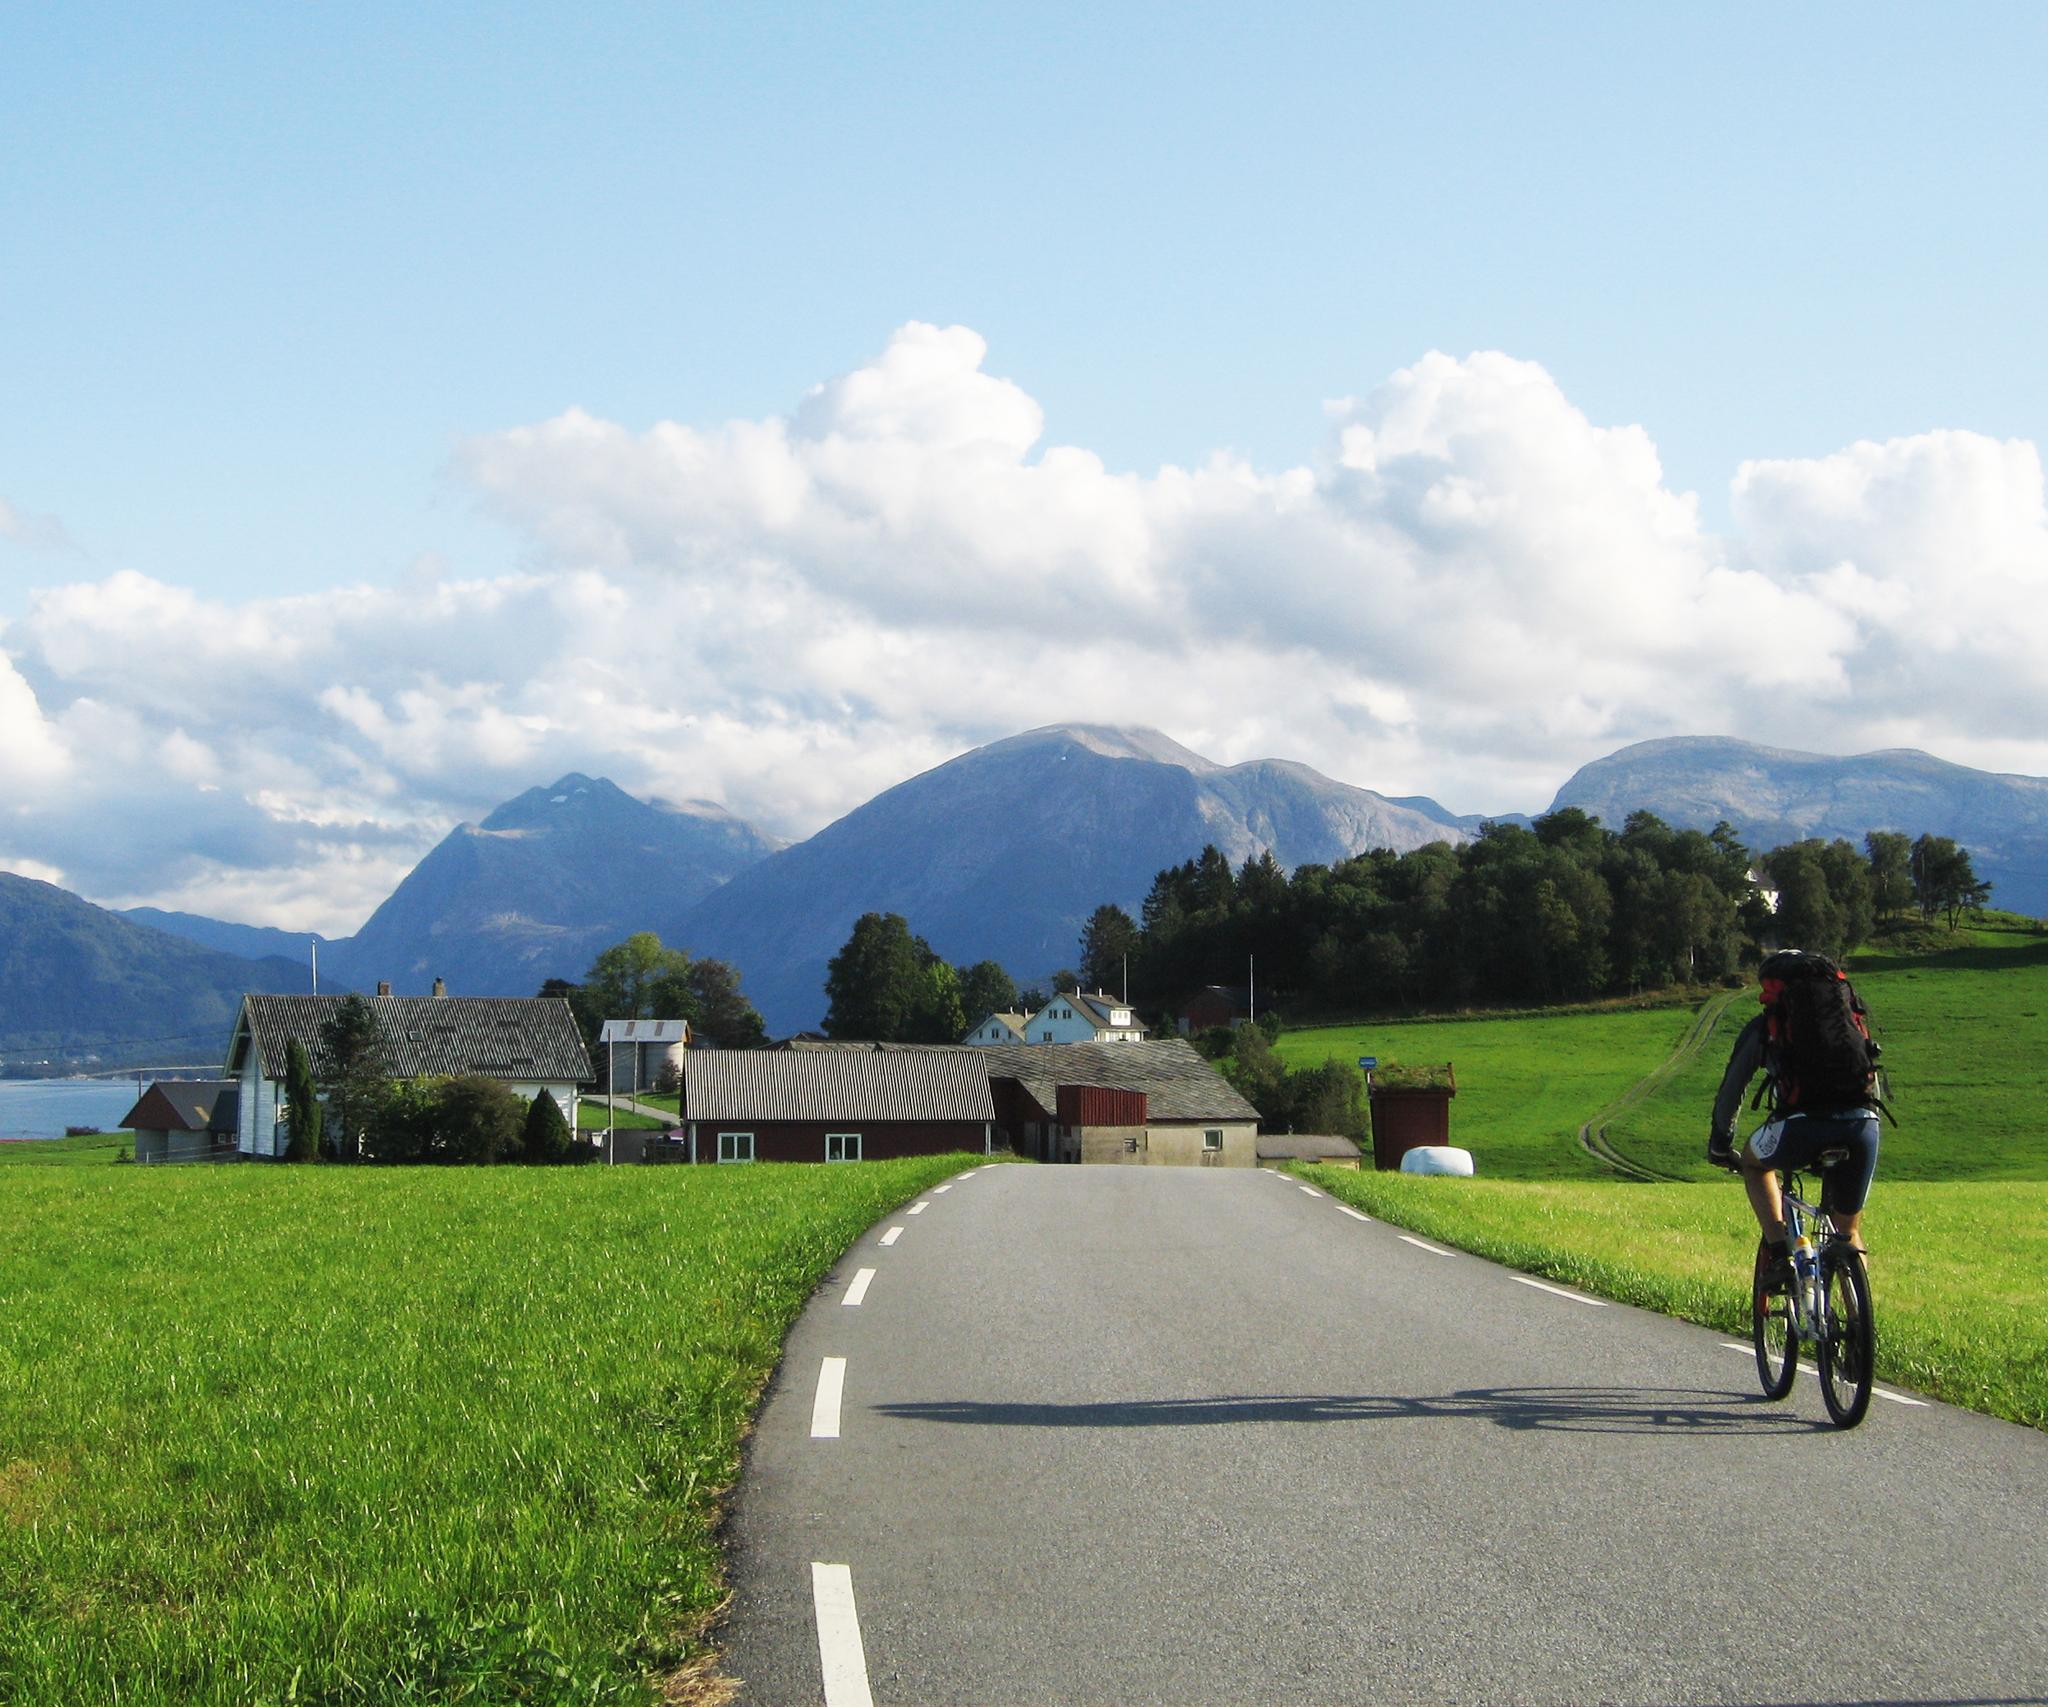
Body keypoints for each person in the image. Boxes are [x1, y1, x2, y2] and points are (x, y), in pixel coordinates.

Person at [1708, 949, 1881, 1275]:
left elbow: (1732, 1088)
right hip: (1862, 1128)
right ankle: (1855, 1298)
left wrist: (1721, 1143)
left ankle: (1780, 1254)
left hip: (1800, 1127)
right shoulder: (1850, 1021)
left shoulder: (1766, 1026)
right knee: (1848, 1233)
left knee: (1754, 1165)